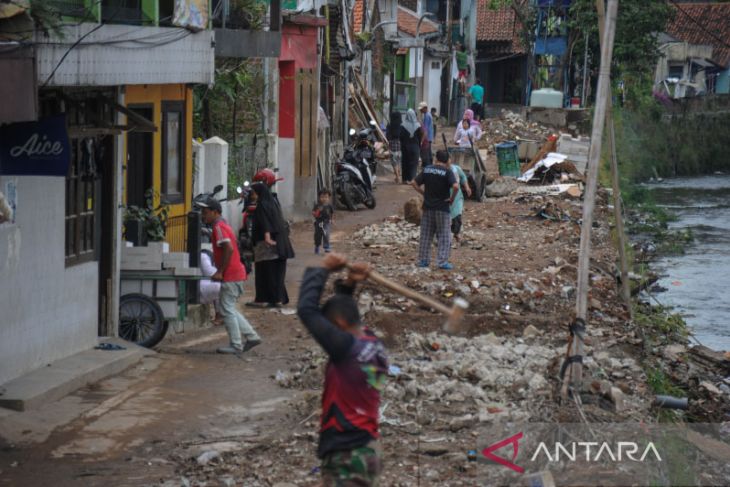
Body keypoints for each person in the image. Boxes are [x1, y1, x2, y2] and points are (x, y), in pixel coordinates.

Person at [297, 253, 388, 486]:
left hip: (347, 451)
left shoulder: (345, 348)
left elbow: (307, 310)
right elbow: (344, 309)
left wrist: (322, 269)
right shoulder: (370, 341)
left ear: (338, 326)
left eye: (331, 329)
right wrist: (349, 283)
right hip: (367, 446)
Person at [198, 197, 261, 354]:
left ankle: (236, 344)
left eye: (205, 212)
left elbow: (229, 249)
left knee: (227, 309)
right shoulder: (223, 226)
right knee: (229, 308)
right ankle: (251, 337)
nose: (202, 215)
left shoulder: (219, 227)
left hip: (231, 275)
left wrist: (220, 271)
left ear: (215, 212)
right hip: (235, 274)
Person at [247, 182, 295, 308]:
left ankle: (264, 299)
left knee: (266, 272)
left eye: (253, 193)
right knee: (277, 274)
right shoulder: (273, 204)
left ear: (259, 193)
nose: (252, 196)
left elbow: (265, 223)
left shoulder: (262, 206)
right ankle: (277, 299)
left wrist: (268, 238)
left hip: (268, 247)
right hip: (280, 244)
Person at [411, 150, 459, 270]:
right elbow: (456, 186)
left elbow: (413, 183)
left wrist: (424, 193)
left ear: (436, 159)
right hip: (442, 208)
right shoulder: (448, 172)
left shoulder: (427, 169)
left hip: (428, 208)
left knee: (426, 235)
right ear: (447, 160)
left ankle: (423, 260)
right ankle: (442, 262)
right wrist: (451, 199)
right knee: (444, 235)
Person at [446, 154, 472, 245]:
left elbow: (463, 177)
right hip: (445, 197)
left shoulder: (456, 169)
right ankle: (447, 236)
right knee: (446, 217)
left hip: (457, 197)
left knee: (457, 215)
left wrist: (467, 188)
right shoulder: (441, 171)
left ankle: (456, 234)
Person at [199, 247, 222, 325]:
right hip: (198, 291)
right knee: (222, 287)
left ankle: (220, 315)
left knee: (223, 286)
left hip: (202, 287)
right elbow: (212, 274)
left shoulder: (209, 256)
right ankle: (220, 316)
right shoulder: (203, 256)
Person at [399, 109, 423, 183]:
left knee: (405, 162)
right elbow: (420, 136)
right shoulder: (418, 125)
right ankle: (412, 179)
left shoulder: (403, 125)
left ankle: (404, 179)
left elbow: (401, 136)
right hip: (415, 147)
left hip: (405, 147)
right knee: (413, 163)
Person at [313, 189, 334, 254]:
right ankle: (317, 246)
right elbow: (313, 213)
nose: (324, 199)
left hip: (326, 222)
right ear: (319, 197)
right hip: (319, 223)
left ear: (329, 198)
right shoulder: (317, 205)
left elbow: (331, 213)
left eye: (326, 197)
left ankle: (326, 247)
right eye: (322, 197)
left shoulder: (329, 206)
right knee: (318, 235)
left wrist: (332, 219)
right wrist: (317, 212)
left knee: (326, 234)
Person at [385, 111, 403, 183]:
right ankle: (398, 173)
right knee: (398, 159)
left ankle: (397, 177)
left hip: (392, 143)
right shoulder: (401, 126)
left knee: (393, 161)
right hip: (400, 143)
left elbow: (387, 136)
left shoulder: (389, 125)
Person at [418, 101, 434, 167]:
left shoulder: (427, 116)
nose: (420, 110)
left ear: (425, 108)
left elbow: (425, 129)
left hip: (427, 137)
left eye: (421, 109)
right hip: (429, 136)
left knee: (426, 152)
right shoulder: (427, 114)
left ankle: (427, 165)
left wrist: (422, 140)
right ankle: (430, 164)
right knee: (429, 152)